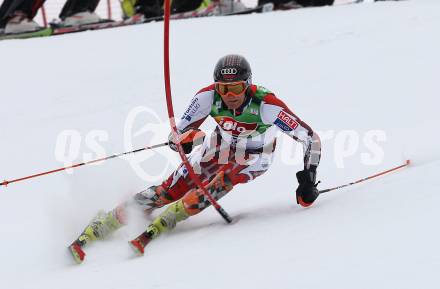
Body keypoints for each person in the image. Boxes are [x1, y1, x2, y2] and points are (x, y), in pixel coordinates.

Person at [69, 54, 322, 263]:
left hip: (256, 156)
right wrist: (183, 141)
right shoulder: (208, 97)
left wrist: (307, 178)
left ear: (247, 85)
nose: (229, 95)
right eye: (223, 88)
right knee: (168, 190)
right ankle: (110, 220)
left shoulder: (267, 105)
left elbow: (310, 138)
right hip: (218, 148)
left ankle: (172, 218)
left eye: (235, 88)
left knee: (224, 179)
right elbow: (178, 135)